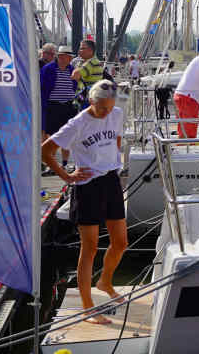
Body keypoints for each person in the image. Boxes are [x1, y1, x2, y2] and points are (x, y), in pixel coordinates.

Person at [41, 80, 127, 325]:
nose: (107, 112)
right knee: (89, 248)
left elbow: (117, 140)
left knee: (120, 242)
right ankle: (87, 307)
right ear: (91, 101)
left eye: (110, 107)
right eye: (102, 108)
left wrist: (115, 162)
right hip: (87, 185)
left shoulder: (117, 113)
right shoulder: (77, 123)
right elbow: (46, 151)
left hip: (110, 180)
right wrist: (67, 176)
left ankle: (105, 281)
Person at [41, 45, 80, 169]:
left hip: (67, 107)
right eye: (63, 57)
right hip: (52, 106)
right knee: (51, 136)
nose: (66, 59)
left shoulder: (72, 70)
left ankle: (64, 163)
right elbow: (42, 87)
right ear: (59, 57)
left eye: (68, 57)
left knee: (67, 136)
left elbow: (75, 87)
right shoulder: (48, 69)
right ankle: (50, 164)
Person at [71, 39, 104, 108]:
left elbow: (74, 76)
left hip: (87, 101)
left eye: (82, 48)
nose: (79, 50)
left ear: (90, 50)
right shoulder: (96, 61)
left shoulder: (90, 63)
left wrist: (79, 64)